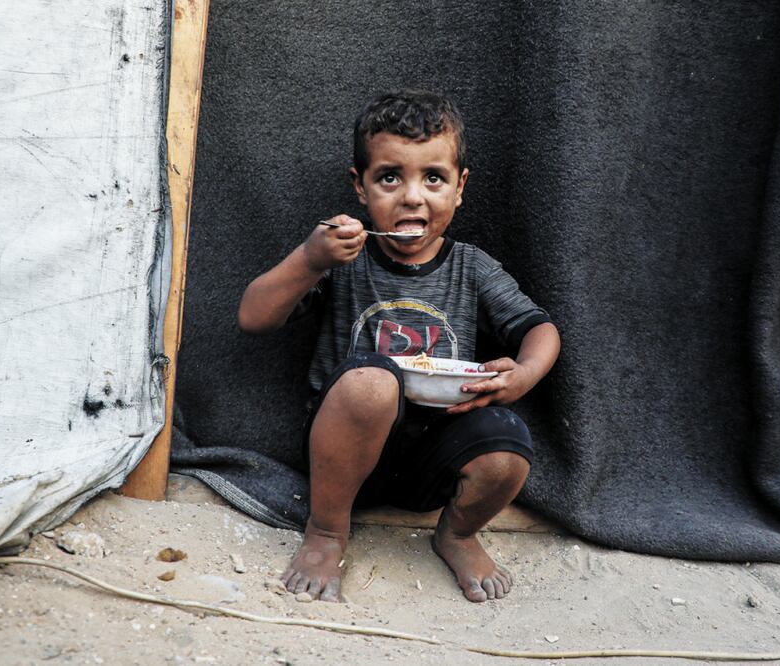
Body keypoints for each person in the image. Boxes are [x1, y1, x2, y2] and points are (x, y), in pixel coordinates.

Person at [237, 90, 560, 603]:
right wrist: (309, 258)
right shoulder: (342, 260)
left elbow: (539, 329)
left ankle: (456, 533)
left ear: (460, 189)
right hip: (341, 458)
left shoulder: (471, 267)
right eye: (390, 177)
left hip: (436, 459)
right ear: (360, 188)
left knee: (509, 449)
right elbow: (253, 317)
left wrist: (523, 373)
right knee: (371, 382)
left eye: (433, 178)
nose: (412, 197)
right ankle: (326, 533)